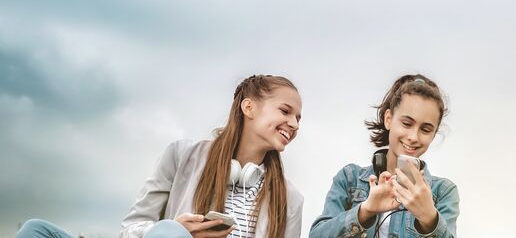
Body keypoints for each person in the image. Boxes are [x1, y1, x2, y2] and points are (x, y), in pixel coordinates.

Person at [16, 74, 304, 238]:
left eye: (298, 119)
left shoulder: (290, 198)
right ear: (249, 108)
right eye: (285, 111)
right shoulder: (182, 155)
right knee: (36, 231)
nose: (293, 124)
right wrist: (176, 231)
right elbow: (130, 228)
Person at [309, 74, 459, 238]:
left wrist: (429, 218)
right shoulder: (349, 178)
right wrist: (365, 211)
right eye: (407, 123)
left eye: (426, 129)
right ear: (389, 119)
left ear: (434, 134)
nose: (414, 136)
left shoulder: (444, 192)